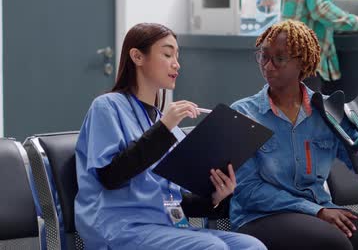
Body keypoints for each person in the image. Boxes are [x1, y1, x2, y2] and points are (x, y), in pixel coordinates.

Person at [74, 23, 266, 250]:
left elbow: (174, 200)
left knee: (251, 246)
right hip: (119, 227)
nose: (176, 64)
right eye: (167, 54)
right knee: (213, 248)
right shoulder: (107, 106)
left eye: (177, 55)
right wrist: (164, 129)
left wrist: (215, 197)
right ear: (137, 56)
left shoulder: (166, 124)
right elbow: (110, 176)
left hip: (166, 226)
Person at [229, 20, 358, 250]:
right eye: (263, 56)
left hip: (318, 210)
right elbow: (247, 190)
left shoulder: (328, 111)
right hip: (260, 216)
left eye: (280, 58)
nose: (268, 65)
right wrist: (317, 211)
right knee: (332, 243)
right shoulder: (243, 113)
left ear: (302, 63)